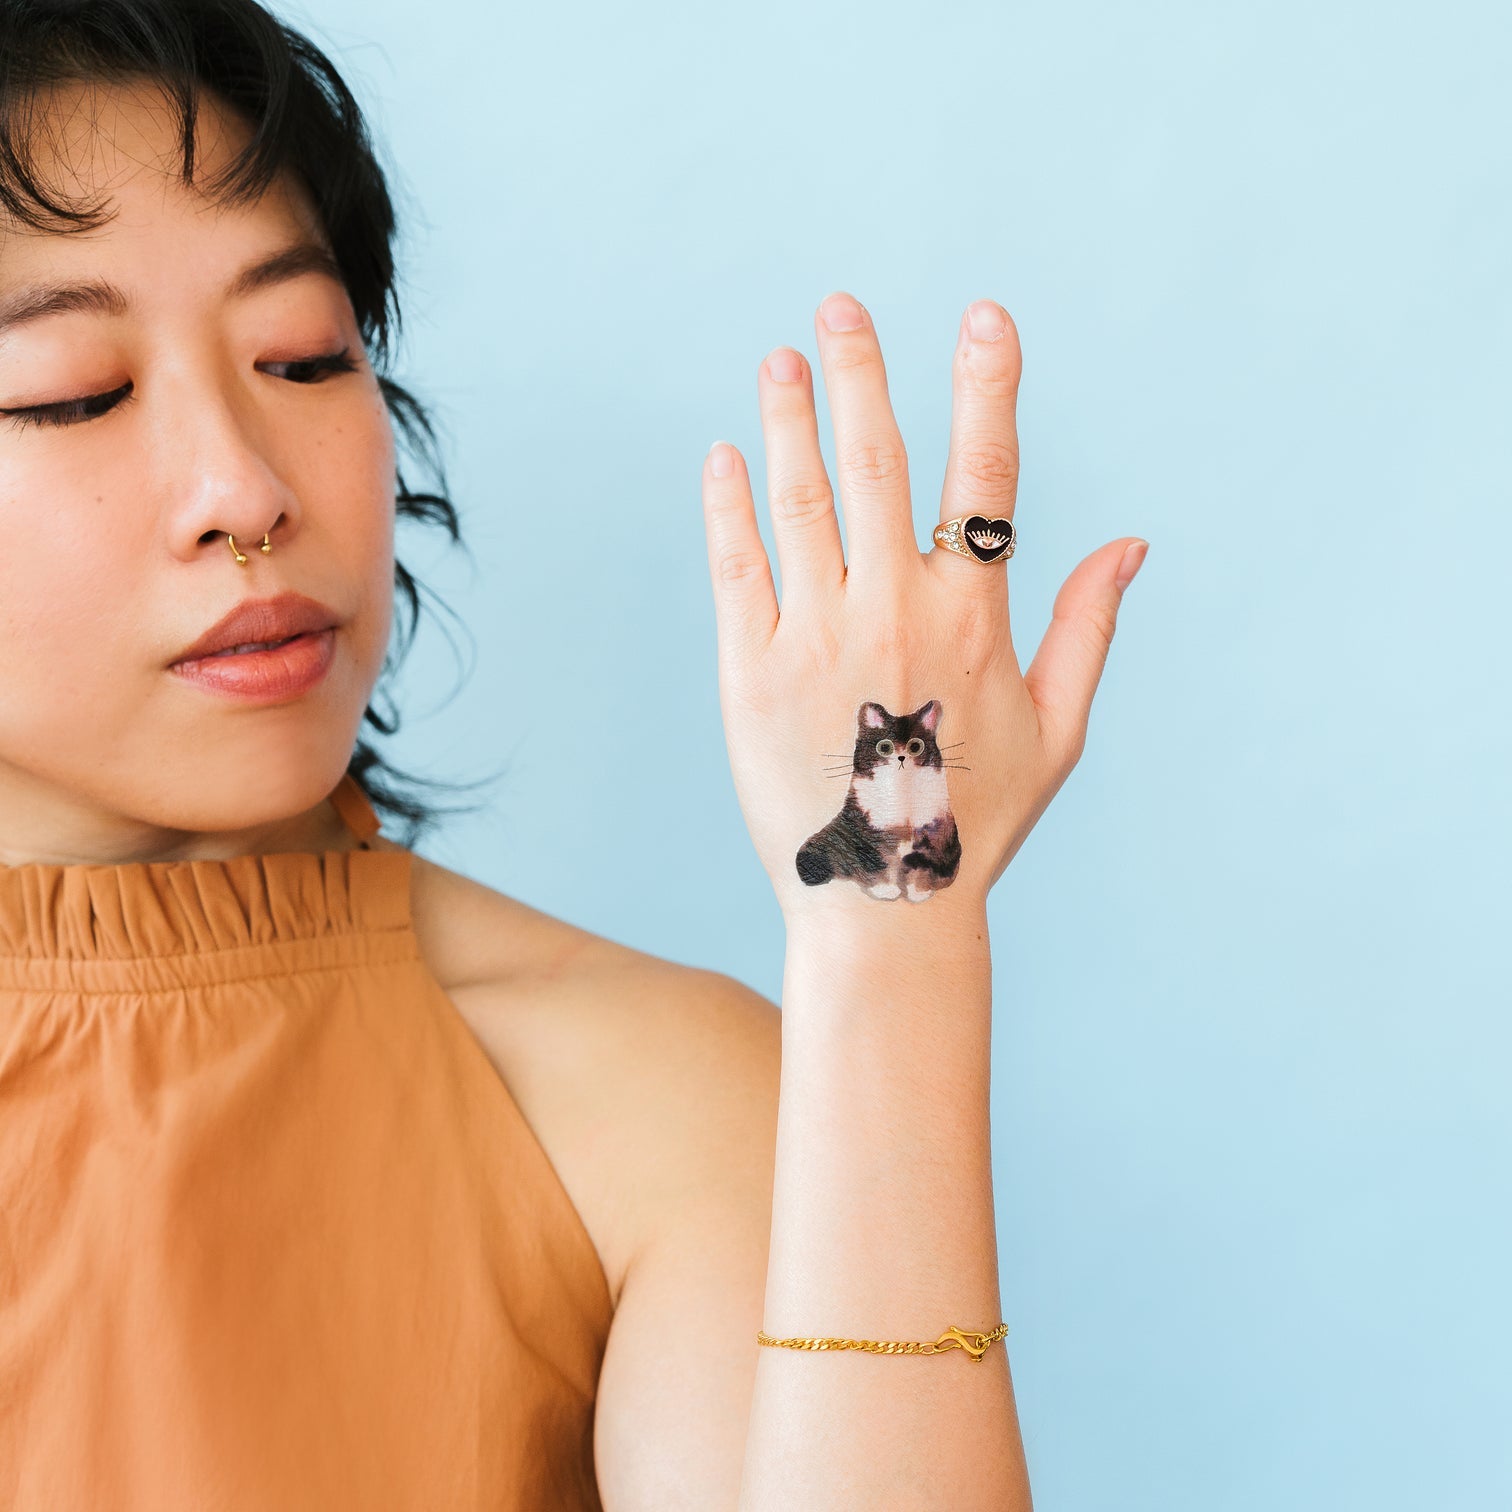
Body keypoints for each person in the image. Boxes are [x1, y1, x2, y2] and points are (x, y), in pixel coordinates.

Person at [0, 2, 1146, 1508]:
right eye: (74, 392)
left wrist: (893, 935)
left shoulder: (639, 1091)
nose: (244, 490)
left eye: (303, 356)